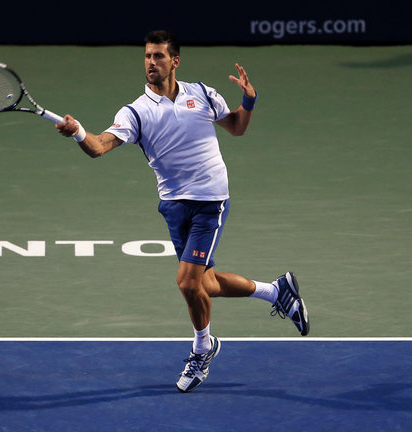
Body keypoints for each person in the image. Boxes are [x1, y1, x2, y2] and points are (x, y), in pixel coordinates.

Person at [55, 30, 309, 393]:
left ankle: (203, 348)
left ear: (174, 61)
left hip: (210, 201)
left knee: (187, 282)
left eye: (158, 56)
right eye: (147, 56)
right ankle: (277, 291)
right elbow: (99, 147)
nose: (151, 63)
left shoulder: (204, 94)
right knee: (204, 284)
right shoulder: (135, 112)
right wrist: (79, 131)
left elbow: (236, 127)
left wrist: (248, 101)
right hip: (174, 206)